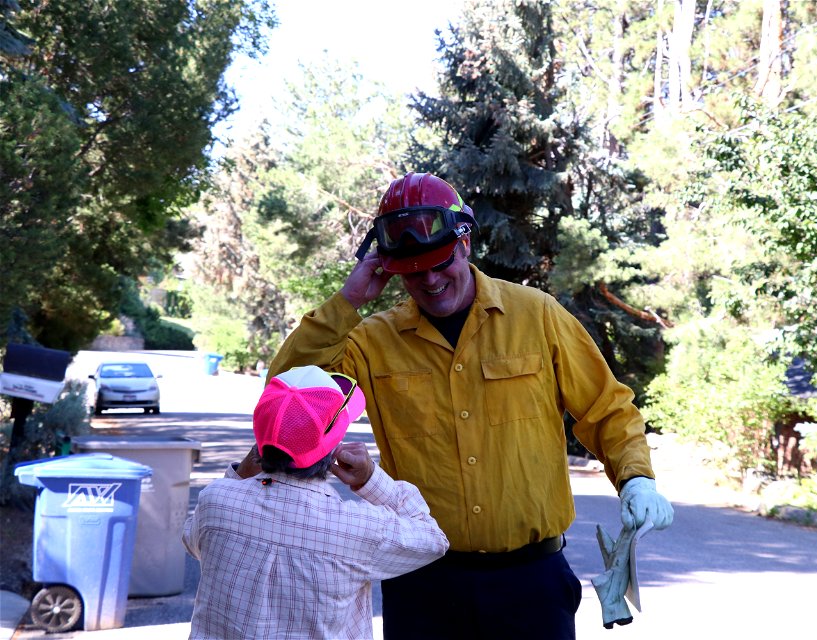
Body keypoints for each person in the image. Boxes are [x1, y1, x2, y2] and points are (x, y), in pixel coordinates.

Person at [263, 172, 674, 639]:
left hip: (532, 584)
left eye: (441, 263)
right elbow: (286, 392)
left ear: (465, 244)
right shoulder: (371, 341)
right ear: (391, 268)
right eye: (414, 272)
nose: (432, 281)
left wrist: (636, 479)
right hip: (422, 584)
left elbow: (607, 408)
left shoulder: (537, 315)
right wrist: (349, 299)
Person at [182, 365, 449, 640]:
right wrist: (369, 478)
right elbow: (434, 539)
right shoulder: (358, 528)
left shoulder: (216, 501)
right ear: (334, 447)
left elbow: (193, 540)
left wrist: (241, 474)